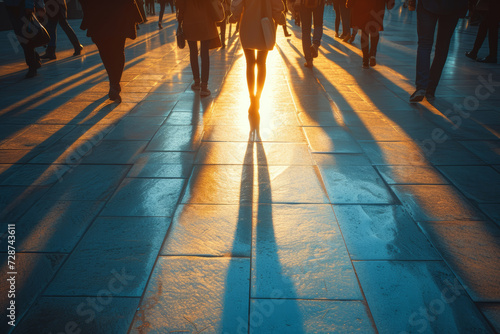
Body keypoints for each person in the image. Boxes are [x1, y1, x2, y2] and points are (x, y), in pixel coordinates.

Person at [230, 0, 285, 130]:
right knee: (261, 63)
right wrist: (279, 17)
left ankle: (252, 99)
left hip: (247, 25)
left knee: (249, 63)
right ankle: (258, 98)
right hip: (265, 25)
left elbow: (237, 4)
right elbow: (277, 6)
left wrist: (235, 15)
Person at [79, 0, 143, 102]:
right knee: (115, 51)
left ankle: (114, 83)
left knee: (108, 51)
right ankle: (114, 83)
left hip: (103, 15)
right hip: (114, 14)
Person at [408, 0, 468, 102]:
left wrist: (412, 2)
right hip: (453, 6)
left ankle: (421, 87)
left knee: (424, 45)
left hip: (428, 4)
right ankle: (431, 89)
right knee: (442, 47)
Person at [177, 0, 221, 97]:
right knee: (204, 53)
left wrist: (180, 21)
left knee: (193, 52)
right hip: (205, 21)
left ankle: (197, 82)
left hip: (189, 22)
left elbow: (180, 4)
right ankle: (204, 87)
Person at [347, 0, 394, 68]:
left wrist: (349, 2)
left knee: (364, 32)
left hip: (363, 7)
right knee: (374, 30)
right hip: (377, 7)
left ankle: (365, 60)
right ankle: (372, 54)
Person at [5, 0, 45, 78]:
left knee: (25, 37)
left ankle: (32, 65)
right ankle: (35, 59)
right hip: (11, 6)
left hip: (22, 6)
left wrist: (30, 5)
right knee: (21, 35)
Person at [295, 0, 325, 68]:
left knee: (306, 30)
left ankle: (309, 60)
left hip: (304, 3)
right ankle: (315, 44)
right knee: (318, 25)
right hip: (319, 2)